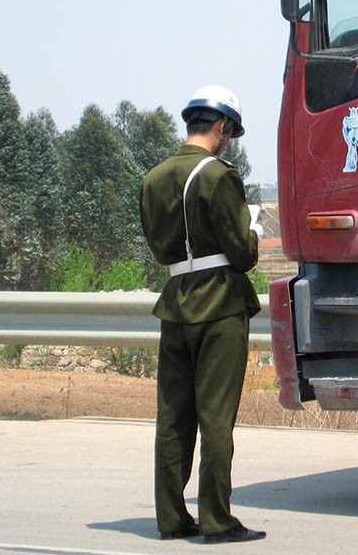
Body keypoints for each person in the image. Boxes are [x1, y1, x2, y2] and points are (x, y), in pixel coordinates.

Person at [139, 85, 265, 545]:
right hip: (220, 303)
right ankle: (216, 519)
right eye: (229, 131)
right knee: (215, 416)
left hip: (176, 300)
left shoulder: (153, 177)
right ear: (221, 127)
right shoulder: (217, 175)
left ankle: (171, 517)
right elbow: (243, 253)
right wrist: (253, 232)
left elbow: (158, 249)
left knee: (173, 417)